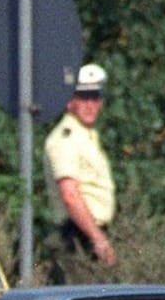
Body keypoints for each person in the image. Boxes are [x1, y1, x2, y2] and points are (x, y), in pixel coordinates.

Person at [45, 64, 117, 266]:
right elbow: (70, 196)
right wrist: (98, 240)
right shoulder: (65, 138)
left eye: (95, 98)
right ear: (69, 102)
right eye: (83, 98)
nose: (90, 105)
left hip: (92, 232)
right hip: (79, 235)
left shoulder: (87, 136)